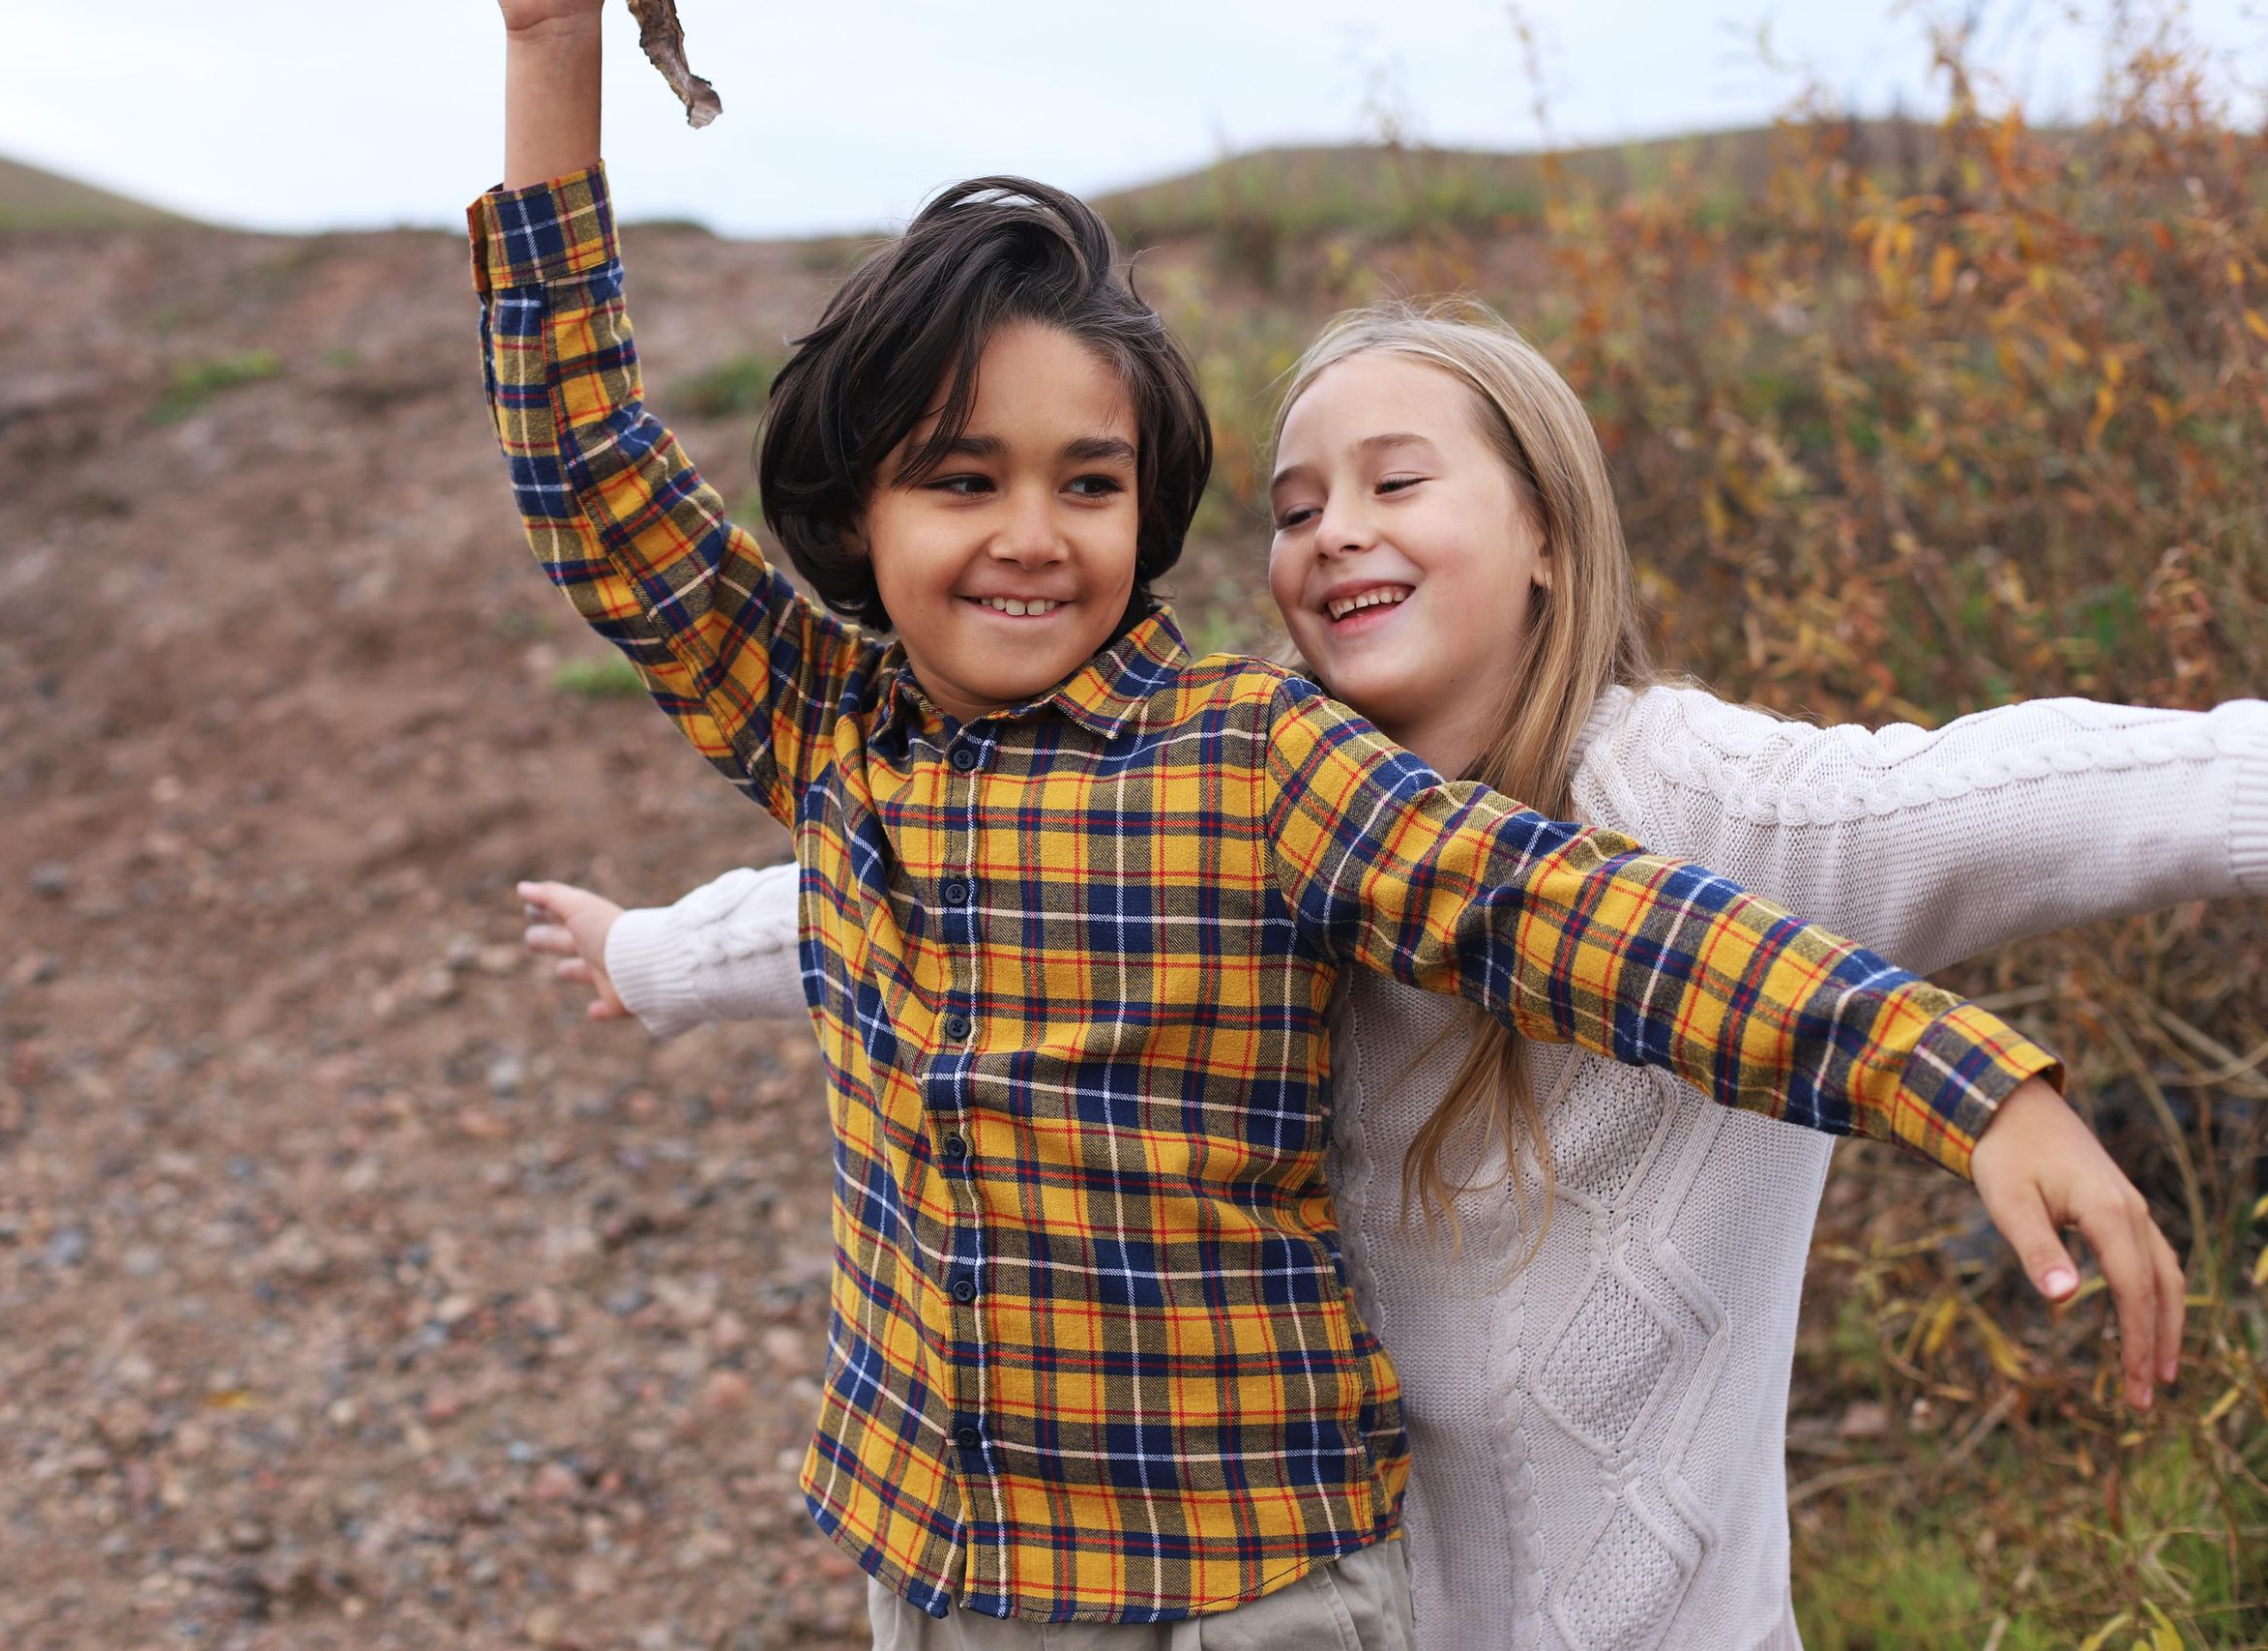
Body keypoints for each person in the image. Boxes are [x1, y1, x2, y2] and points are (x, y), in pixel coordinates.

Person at [480, 4, 2165, 1638]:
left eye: (1088, 482)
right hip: (956, 1559)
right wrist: (552, 49)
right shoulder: (833, 736)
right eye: (961, 477)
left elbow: (1583, 918)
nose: (1029, 534)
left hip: (1258, 1585)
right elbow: (591, 476)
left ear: (1148, 511)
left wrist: (1957, 1078)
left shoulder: (1249, 755)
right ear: (860, 510)